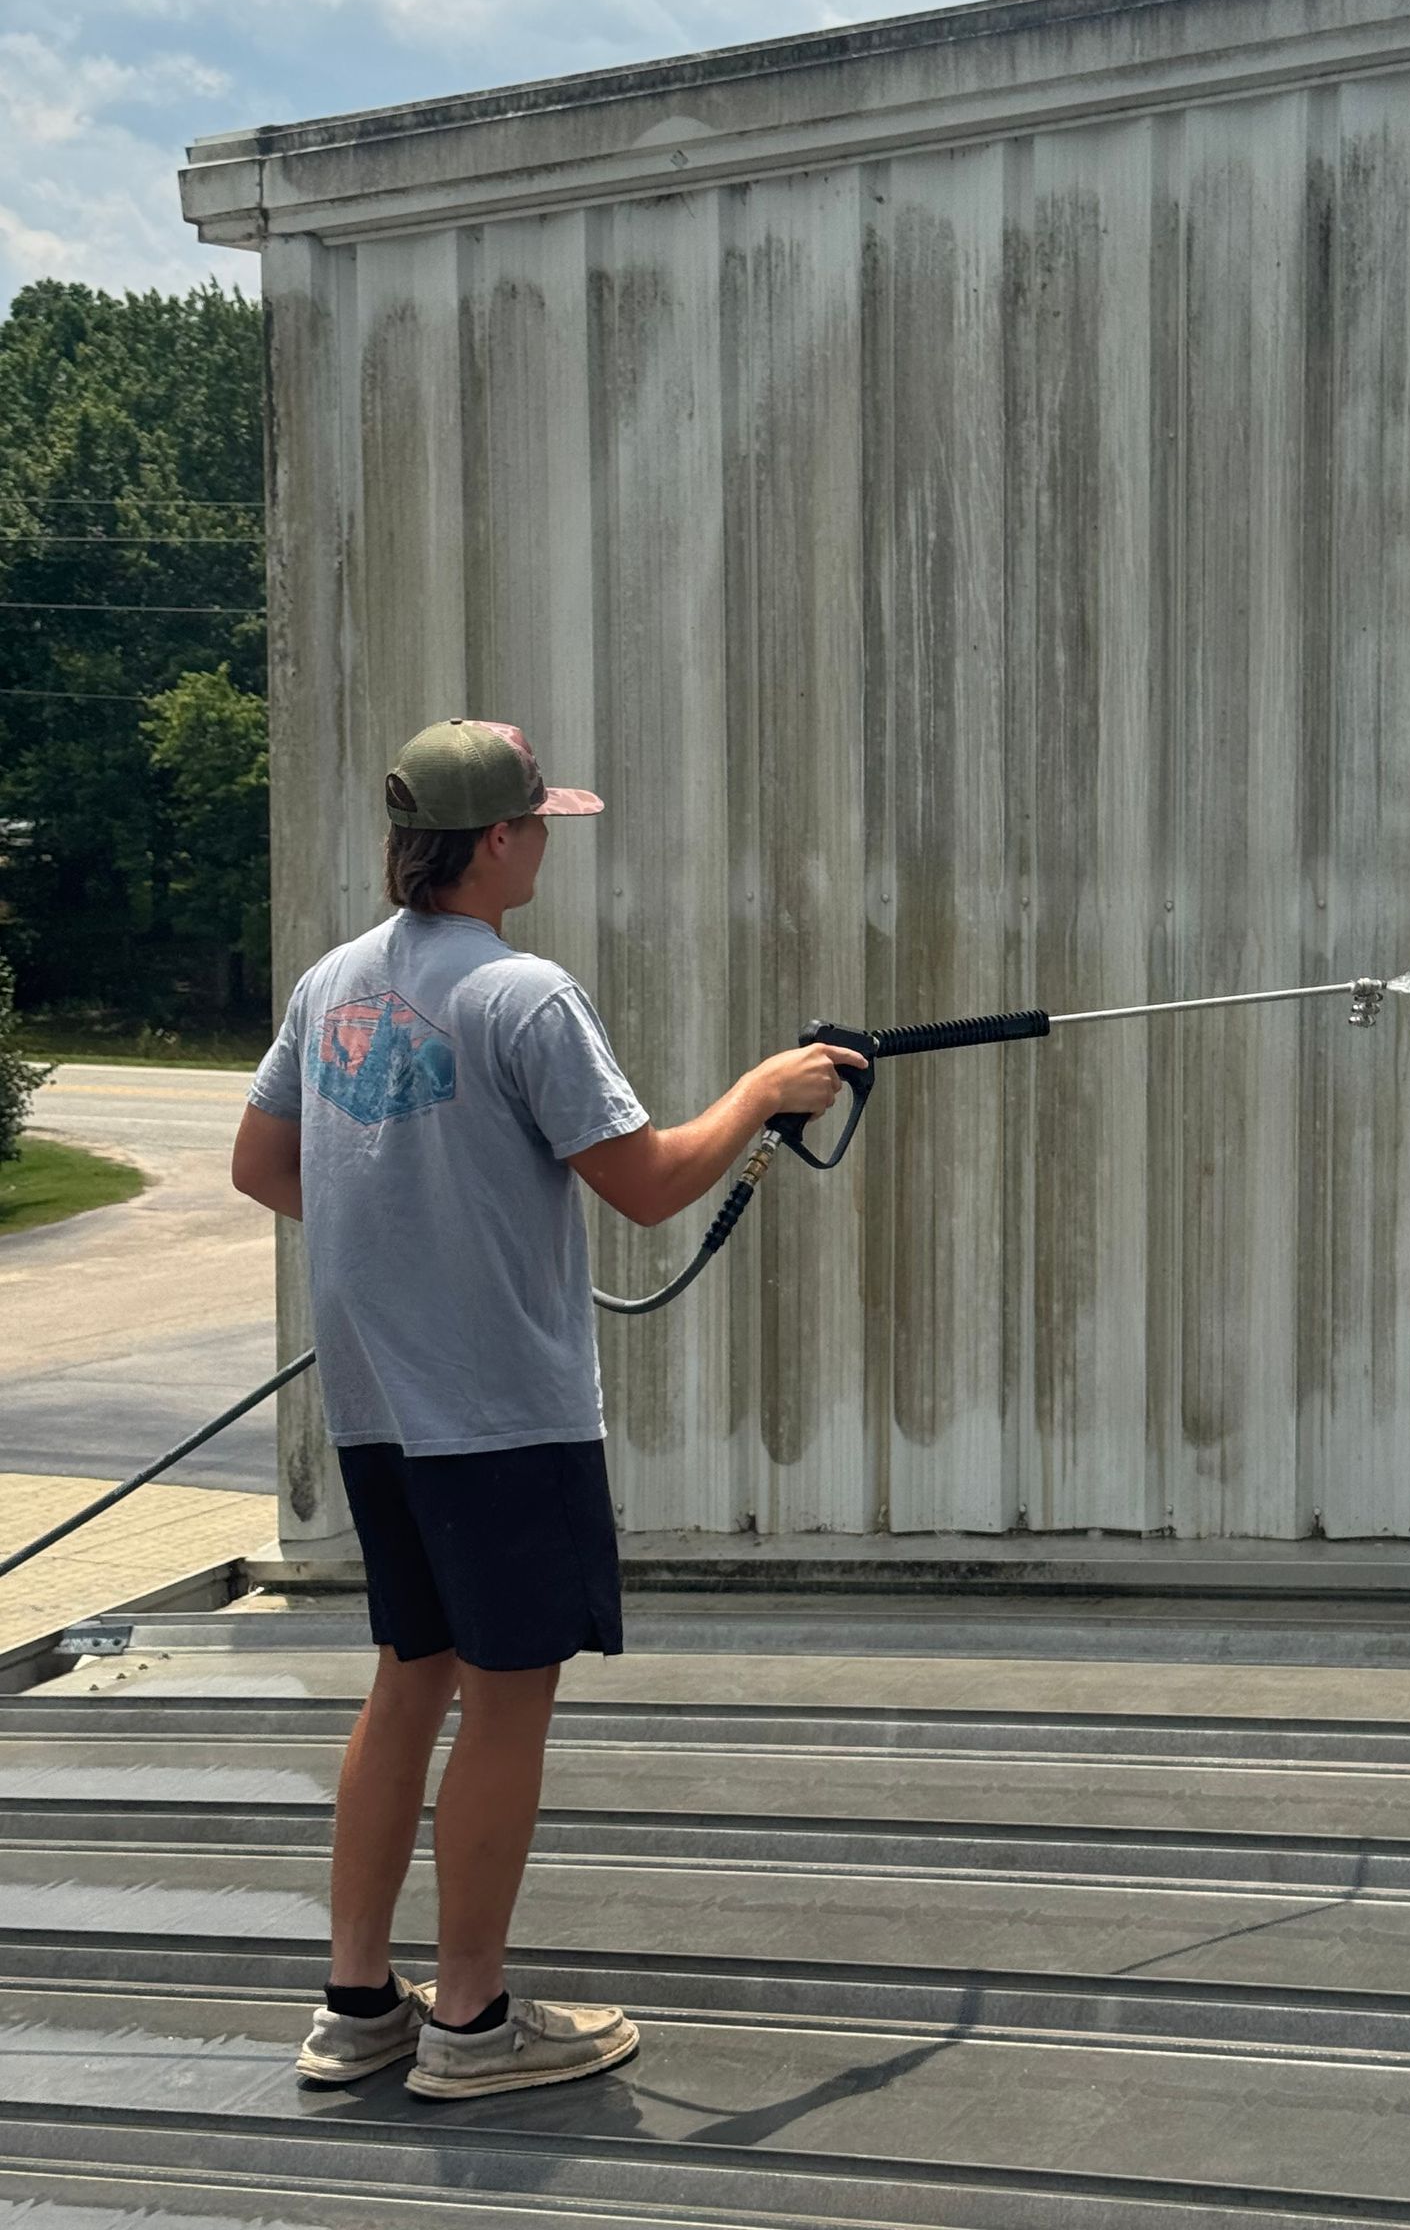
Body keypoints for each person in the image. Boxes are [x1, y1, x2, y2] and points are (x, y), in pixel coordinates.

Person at [230, 716, 863, 2102]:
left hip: (382, 1412)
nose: (544, 847)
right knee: (507, 1704)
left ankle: (357, 2006)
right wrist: (766, 1087)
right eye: (539, 827)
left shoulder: (331, 985)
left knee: (409, 1678)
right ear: (498, 838)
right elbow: (645, 1182)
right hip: (503, 1422)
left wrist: (405, 1241)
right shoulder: (525, 995)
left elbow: (264, 1164)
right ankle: (470, 2023)